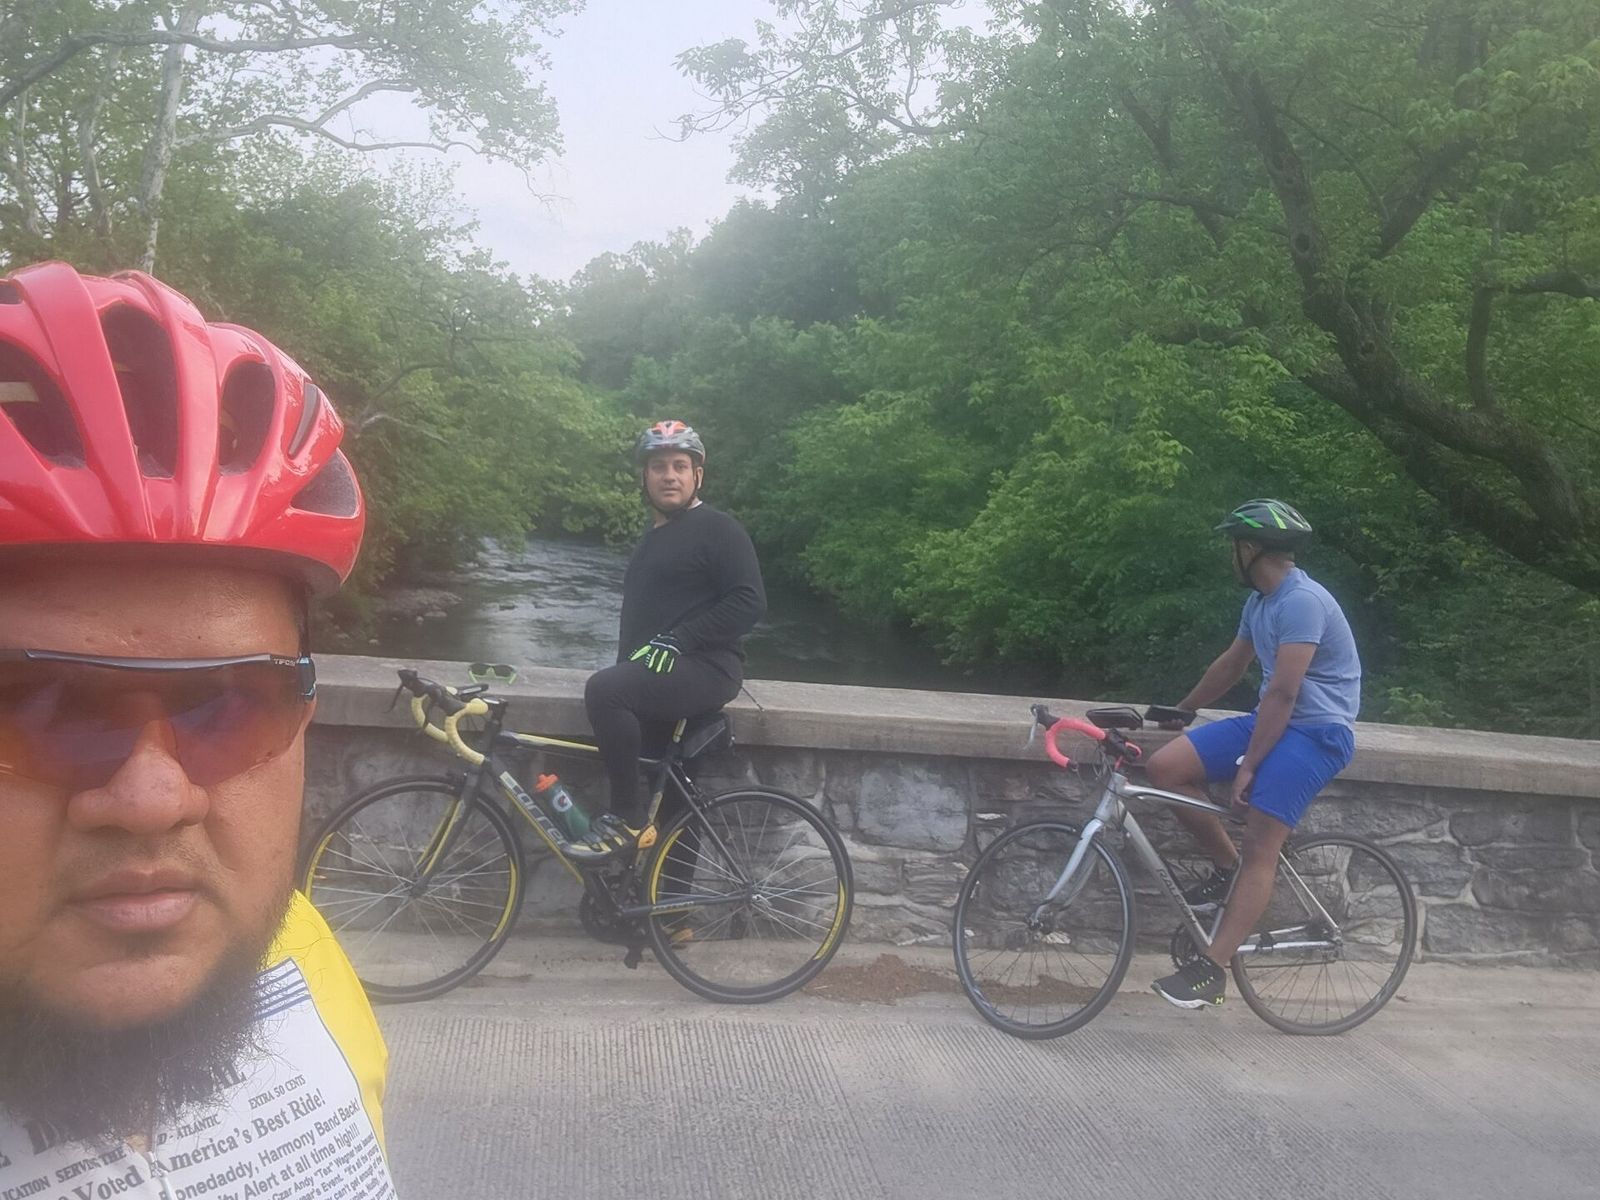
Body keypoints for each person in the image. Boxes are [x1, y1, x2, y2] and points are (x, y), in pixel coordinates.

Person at [0, 262, 396, 1196]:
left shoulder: (293, 950)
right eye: (34, 703)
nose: (151, 801)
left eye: (229, 704)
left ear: (302, 723)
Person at [1146, 499, 1361, 1009]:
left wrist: (1251, 766)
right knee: (1164, 768)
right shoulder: (1261, 603)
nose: (1231, 556)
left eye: (1233, 547)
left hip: (1317, 733)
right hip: (1274, 720)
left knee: (1261, 843)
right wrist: (1184, 709)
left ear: (1250, 549)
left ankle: (1212, 970)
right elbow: (1232, 664)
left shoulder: (1302, 601)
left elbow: (1285, 692)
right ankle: (1226, 866)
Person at [582, 421, 765, 850]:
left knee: (605, 691)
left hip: (706, 668)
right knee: (676, 800)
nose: (670, 476)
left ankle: (627, 819)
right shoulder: (652, 539)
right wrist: (631, 668)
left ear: (697, 475)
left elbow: (749, 602)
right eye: (659, 466)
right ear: (644, 477)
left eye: (680, 466)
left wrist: (681, 638)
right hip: (661, 672)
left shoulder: (719, 529)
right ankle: (666, 896)